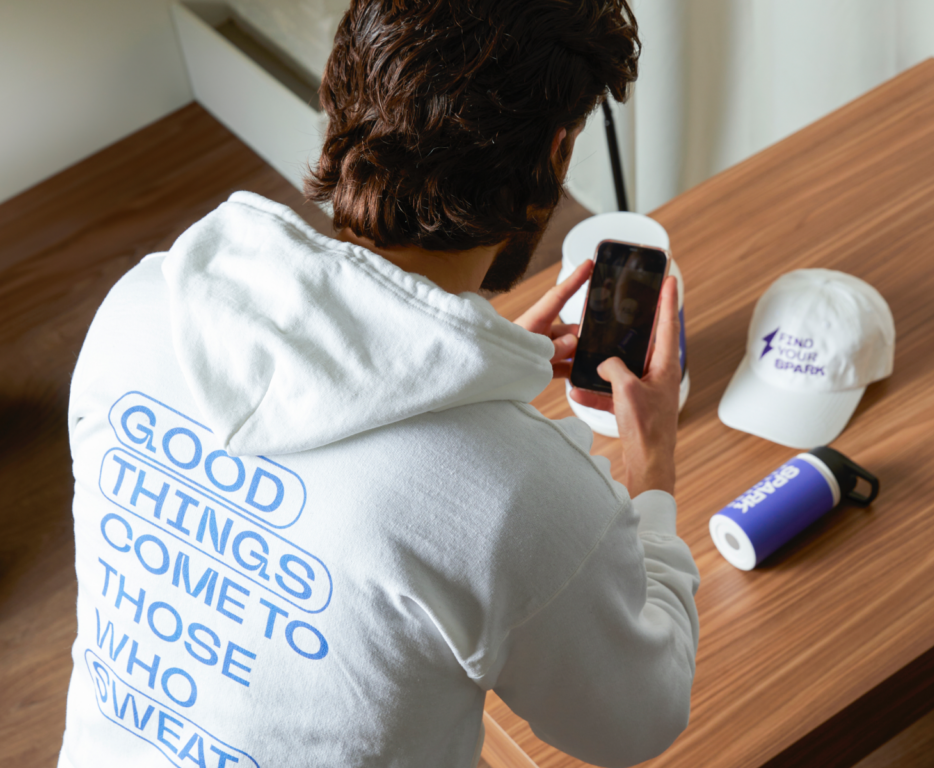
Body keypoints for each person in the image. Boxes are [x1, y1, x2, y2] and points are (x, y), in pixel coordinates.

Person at [57, 1, 699, 766]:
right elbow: (639, 721)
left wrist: (457, 375)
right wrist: (651, 466)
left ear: (339, 101)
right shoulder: (521, 497)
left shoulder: (139, 311)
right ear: (555, 155)